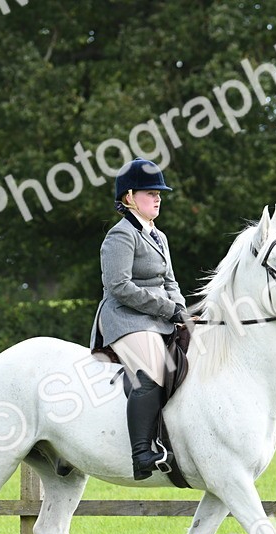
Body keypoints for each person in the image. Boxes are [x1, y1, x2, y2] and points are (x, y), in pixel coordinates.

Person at [90, 157, 188, 480]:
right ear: (129, 197)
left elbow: (170, 282)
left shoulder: (159, 236)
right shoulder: (120, 236)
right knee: (154, 368)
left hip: (158, 316)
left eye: (160, 193)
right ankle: (142, 453)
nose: (158, 197)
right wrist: (166, 309)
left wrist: (181, 310)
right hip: (125, 317)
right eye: (151, 192)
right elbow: (119, 287)